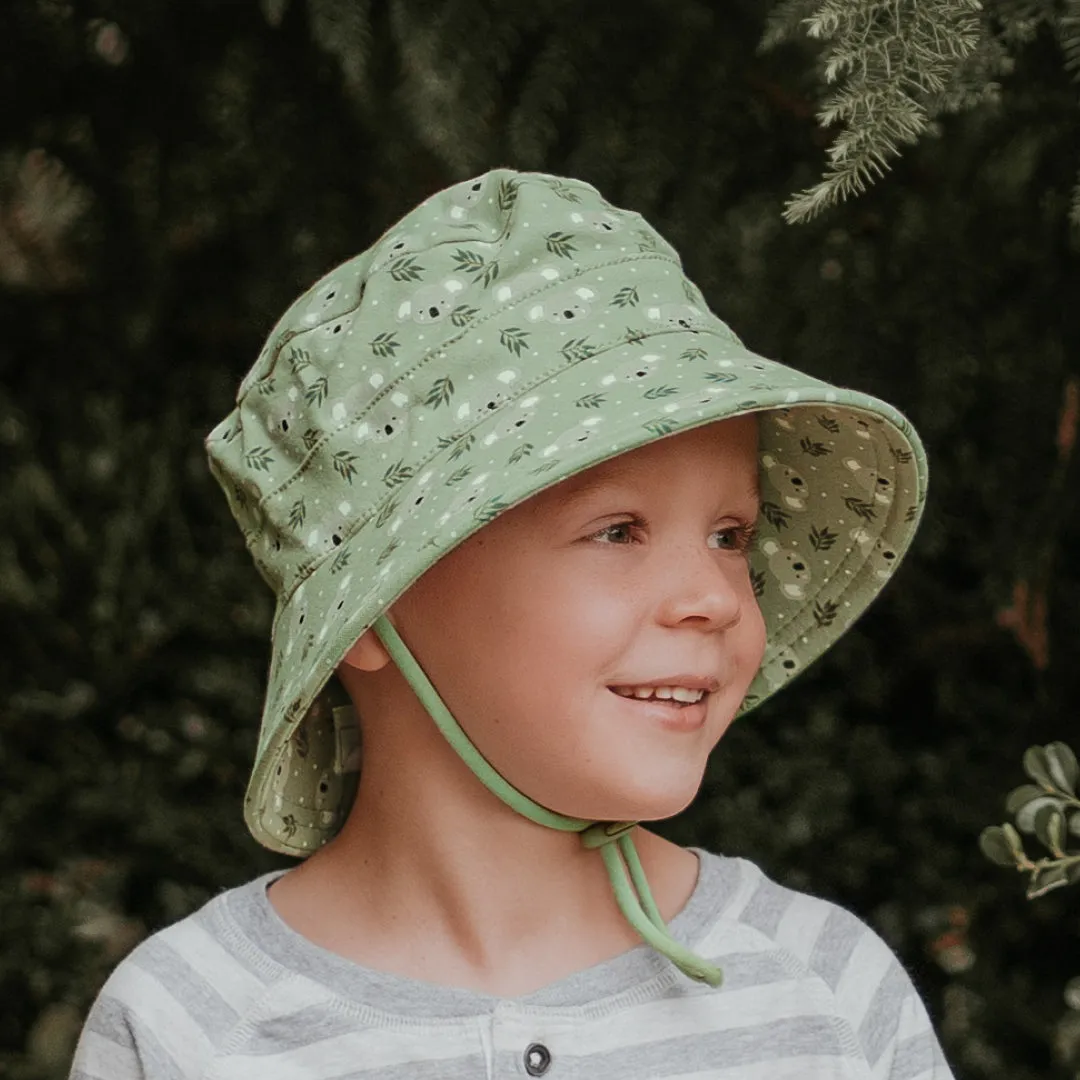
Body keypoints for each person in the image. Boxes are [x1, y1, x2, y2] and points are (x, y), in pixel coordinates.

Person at [70, 169, 952, 1079]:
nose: (719, 598)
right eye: (617, 531)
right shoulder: (187, 1028)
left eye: (731, 535)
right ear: (370, 607)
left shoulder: (827, 996)